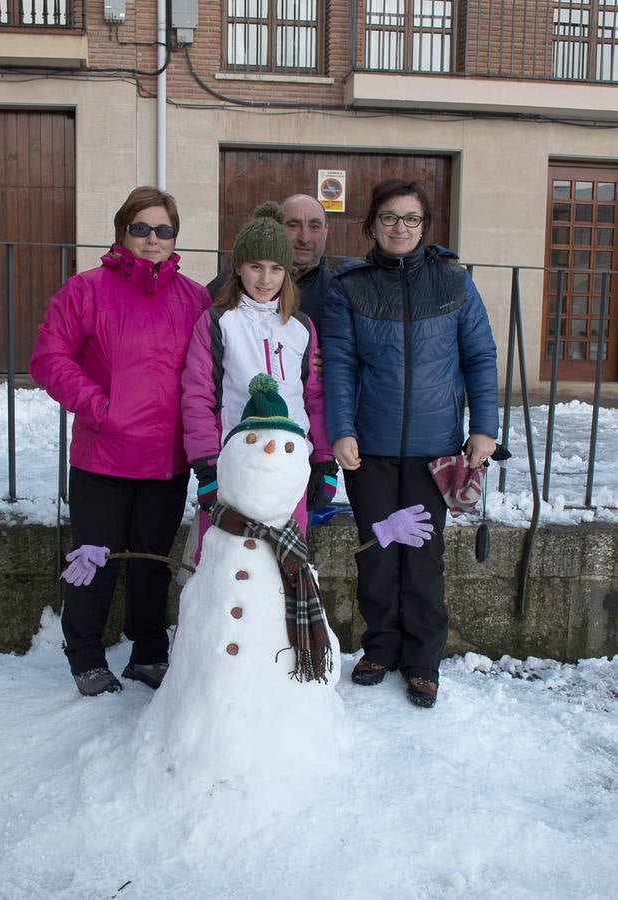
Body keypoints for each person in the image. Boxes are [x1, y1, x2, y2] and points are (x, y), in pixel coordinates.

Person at [322, 179, 499, 709]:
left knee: (422, 557)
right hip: (369, 449)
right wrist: (341, 429)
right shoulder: (347, 286)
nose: (401, 228)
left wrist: (484, 427)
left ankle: (423, 660)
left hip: (434, 448)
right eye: (390, 218)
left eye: (412, 219)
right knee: (378, 553)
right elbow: (340, 364)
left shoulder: (453, 282)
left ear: (425, 227)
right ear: (371, 224)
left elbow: (480, 358)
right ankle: (380, 647)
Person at [29, 186, 211, 697]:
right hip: (103, 456)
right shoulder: (84, 291)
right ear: (121, 231)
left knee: (153, 561)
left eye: (164, 230)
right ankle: (84, 654)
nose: (152, 239)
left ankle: (148, 652)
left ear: (175, 237)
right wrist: (99, 407)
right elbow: (49, 359)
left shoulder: (194, 297)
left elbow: (207, 368)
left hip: (166, 460)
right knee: (93, 559)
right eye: (141, 228)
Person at [181, 201, 336, 554]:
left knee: (283, 569)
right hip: (234, 465)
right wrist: (206, 467)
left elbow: (314, 397)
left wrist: (324, 461)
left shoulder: (301, 327)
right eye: (255, 267)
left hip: (290, 467)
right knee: (227, 569)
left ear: (287, 272)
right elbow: (197, 397)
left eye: (276, 268)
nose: (265, 280)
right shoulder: (217, 323)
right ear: (238, 268)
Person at [206, 194, 332, 332]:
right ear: (276, 227)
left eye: (314, 226)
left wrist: (326, 351)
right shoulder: (230, 282)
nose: (304, 238)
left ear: (326, 231)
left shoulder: (336, 290)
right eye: (293, 225)